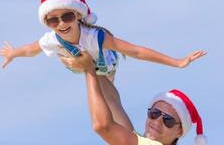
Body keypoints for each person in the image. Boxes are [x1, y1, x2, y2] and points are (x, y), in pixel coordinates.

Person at [0, 0, 206, 130]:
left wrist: (177, 62)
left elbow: (136, 51)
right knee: (66, 58)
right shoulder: (52, 38)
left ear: (78, 15)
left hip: (106, 64)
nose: (61, 24)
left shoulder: (94, 37)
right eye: (53, 20)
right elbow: (30, 50)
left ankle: (131, 138)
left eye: (67, 16)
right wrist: (13, 53)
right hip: (80, 63)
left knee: (111, 101)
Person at [60, 52, 207, 145]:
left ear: (179, 132)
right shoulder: (138, 140)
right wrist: (88, 54)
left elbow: (102, 126)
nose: (157, 121)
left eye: (168, 120)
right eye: (154, 113)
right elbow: (113, 102)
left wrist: (89, 70)